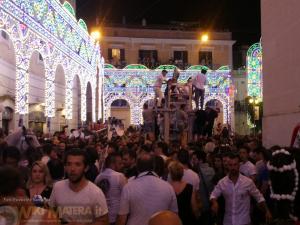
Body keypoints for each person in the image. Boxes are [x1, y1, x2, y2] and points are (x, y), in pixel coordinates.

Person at [49, 149, 109, 224]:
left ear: (86, 168)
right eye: (69, 164)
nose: (72, 169)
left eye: (77, 164)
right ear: (65, 167)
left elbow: (104, 221)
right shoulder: (58, 187)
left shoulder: (96, 193)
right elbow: (51, 211)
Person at [116, 153, 178, 225]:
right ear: (153, 166)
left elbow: (122, 218)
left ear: (137, 167)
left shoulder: (128, 187)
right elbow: (174, 214)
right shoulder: (168, 187)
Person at [210, 154, 272, 225]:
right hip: (228, 221)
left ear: (239, 165)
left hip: (244, 221)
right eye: (230, 165)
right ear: (227, 166)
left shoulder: (247, 182)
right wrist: (214, 202)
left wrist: (267, 211)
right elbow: (213, 195)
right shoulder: (222, 182)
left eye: (235, 165)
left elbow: (259, 197)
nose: (233, 167)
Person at [95, 153, 127, 225]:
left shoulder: (98, 177)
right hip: (115, 217)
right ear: (112, 164)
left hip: (101, 216)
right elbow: (126, 197)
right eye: (119, 163)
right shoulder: (119, 176)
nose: (122, 165)